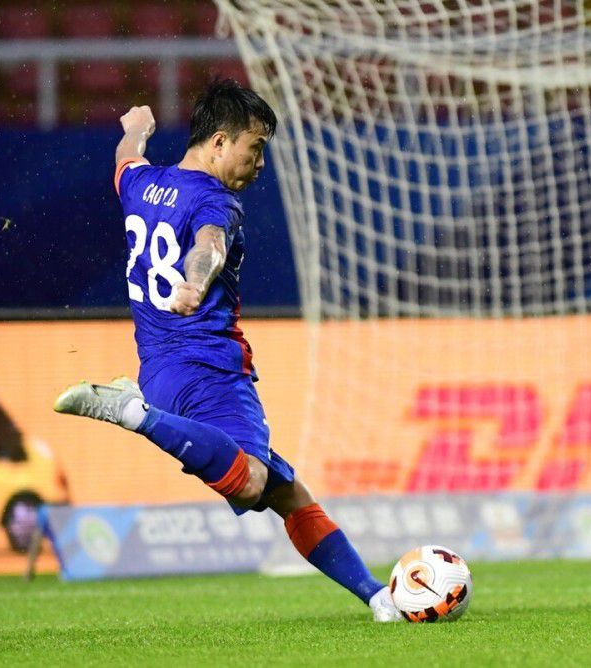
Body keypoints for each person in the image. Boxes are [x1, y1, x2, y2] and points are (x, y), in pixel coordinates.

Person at [54, 79, 401, 622]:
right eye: (254, 147)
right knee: (255, 482)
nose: (259, 163)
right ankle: (128, 413)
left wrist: (135, 132)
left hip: (161, 369)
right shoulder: (216, 199)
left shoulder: (142, 184)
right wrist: (195, 283)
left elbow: (124, 162)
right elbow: (208, 246)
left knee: (288, 494)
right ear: (219, 143)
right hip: (209, 369)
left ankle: (378, 598)